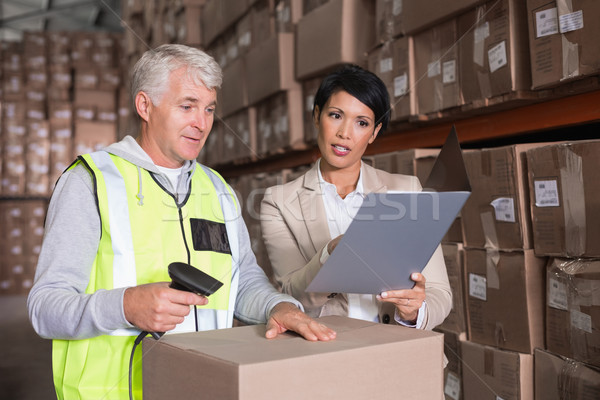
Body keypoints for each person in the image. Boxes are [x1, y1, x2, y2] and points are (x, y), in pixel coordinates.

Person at [27, 44, 336, 400]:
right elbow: (45, 308)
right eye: (187, 106)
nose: (201, 123)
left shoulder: (217, 189)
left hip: (204, 387)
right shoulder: (91, 181)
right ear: (145, 106)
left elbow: (242, 281)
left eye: (208, 109)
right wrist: (125, 306)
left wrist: (277, 307)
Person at [260, 64, 452, 330]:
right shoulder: (278, 201)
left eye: (362, 123)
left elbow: (441, 293)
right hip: (329, 353)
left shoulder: (407, 190)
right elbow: (291, 294)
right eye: (336, 115)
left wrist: (414, 311)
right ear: (317, 116)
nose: (345, 133)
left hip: (398, 354)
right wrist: (330, 254)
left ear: (374, 132)